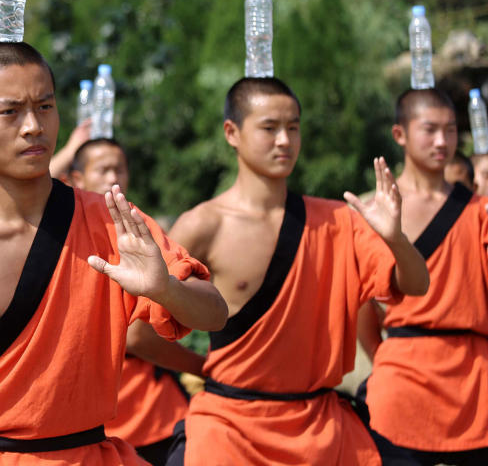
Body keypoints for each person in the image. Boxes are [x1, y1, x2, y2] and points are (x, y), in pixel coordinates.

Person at [0, 42, 227, 466]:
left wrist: (165, 289)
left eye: (45, 107)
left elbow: (214, 313)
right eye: (10, 112)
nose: (33, 126)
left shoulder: (111, 221)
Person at [165, 77, 429, 466]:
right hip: (230, 427)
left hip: (322, 428)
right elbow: (140, 333)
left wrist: (396, 239)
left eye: (293, 127)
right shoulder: (204, 225)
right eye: (269, 128)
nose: (285, 140)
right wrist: (204, 368)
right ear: (232, 132)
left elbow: (416, 284)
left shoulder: (339, 220)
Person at [357, 88, 488, 465]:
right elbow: (361, 306)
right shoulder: (374, 210)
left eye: (450, 131)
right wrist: (387, 358)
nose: (442, 141)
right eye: (430, 129)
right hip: (402, 377)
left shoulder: (479, 211)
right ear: (400, 134)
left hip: (473, 380)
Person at [69, 138, 205, 465]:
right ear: (77, 179)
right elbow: (136, 337)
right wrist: (204, 368)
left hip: (151, 407)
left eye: (119, 168)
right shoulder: (69, 236)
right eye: (102, 169)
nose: (113, 176)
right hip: (110, 410)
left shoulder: (137, 227)